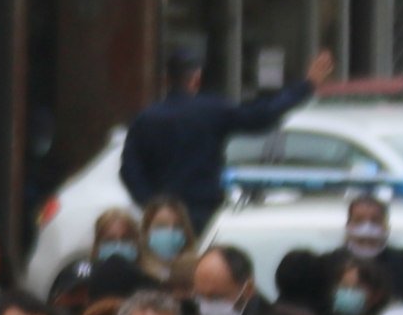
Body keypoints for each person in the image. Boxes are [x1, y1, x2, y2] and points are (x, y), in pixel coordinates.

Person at [117, 39, 327, 231]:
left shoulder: (145, 119)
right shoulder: (211, 111)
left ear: (165, 80)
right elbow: (261, 116)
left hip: (160, 219)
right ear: (196, 79)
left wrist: (153, 205)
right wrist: (305, 86)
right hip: (202, 212)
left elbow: (129, 170)